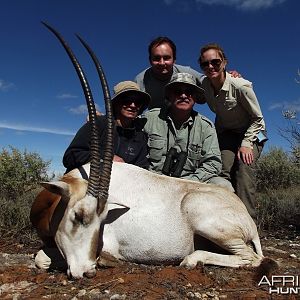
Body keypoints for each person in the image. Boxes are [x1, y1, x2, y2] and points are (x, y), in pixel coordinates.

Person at [198, 43, 267, 219]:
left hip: (252, 133)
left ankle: (247, 223)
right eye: (205, 64)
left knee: (243, 169)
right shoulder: (204, 84)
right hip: (227, 133)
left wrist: (246, 144)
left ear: (224, 62)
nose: (211, 66)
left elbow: (258, 119)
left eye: (215, 61)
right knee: (220, 170)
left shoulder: (240, 86)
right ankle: (224, 219)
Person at [143, 72, 233, 191]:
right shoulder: (150, 118)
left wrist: (189, 183)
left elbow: (213, 163)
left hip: (190, 183)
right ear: (169, 95)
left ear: (195, 97)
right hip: (153, 181)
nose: (184, 95)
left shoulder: (206, 126)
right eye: (178, 91)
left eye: (189, 92)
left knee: (224, 186)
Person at [63, 81, 151, 173]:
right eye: (127, 100)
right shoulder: (97, 124)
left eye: (138, 102)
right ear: (116, 103)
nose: (133, 105)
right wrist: (105, 159)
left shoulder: (140, 137)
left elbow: (141, 169)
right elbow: (70, 156)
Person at [135, 36, 240, 110]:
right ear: (150, 60)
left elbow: (210, 80)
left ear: (174, 60)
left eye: (166, 58)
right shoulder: (140, 80)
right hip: (156, 125)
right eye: (157, 58)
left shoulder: (186, 72)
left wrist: (227, 75)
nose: (162, 63)